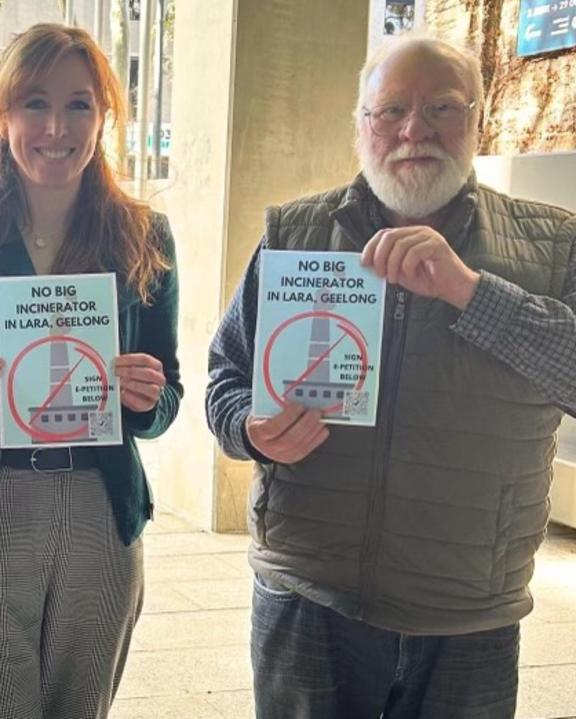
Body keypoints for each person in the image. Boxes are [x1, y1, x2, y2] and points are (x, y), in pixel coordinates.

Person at [205, 37, 576, 718]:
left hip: (469, 617)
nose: (414, 130)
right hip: (308, 596)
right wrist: (249, 430)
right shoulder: (296, 233)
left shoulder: (555, 243)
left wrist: (471, 291)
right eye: (391, 110)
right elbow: (225, 377)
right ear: (361, 125)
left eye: (441, 108)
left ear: (478, 117)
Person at [0, 24, 181, 719]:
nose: (56, 127)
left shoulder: (143, 233)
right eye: (34, 103)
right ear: (1, 114)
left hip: (98, 510)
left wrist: (145, 398)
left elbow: (167, 391)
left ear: (103, 116)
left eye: (79, 105)